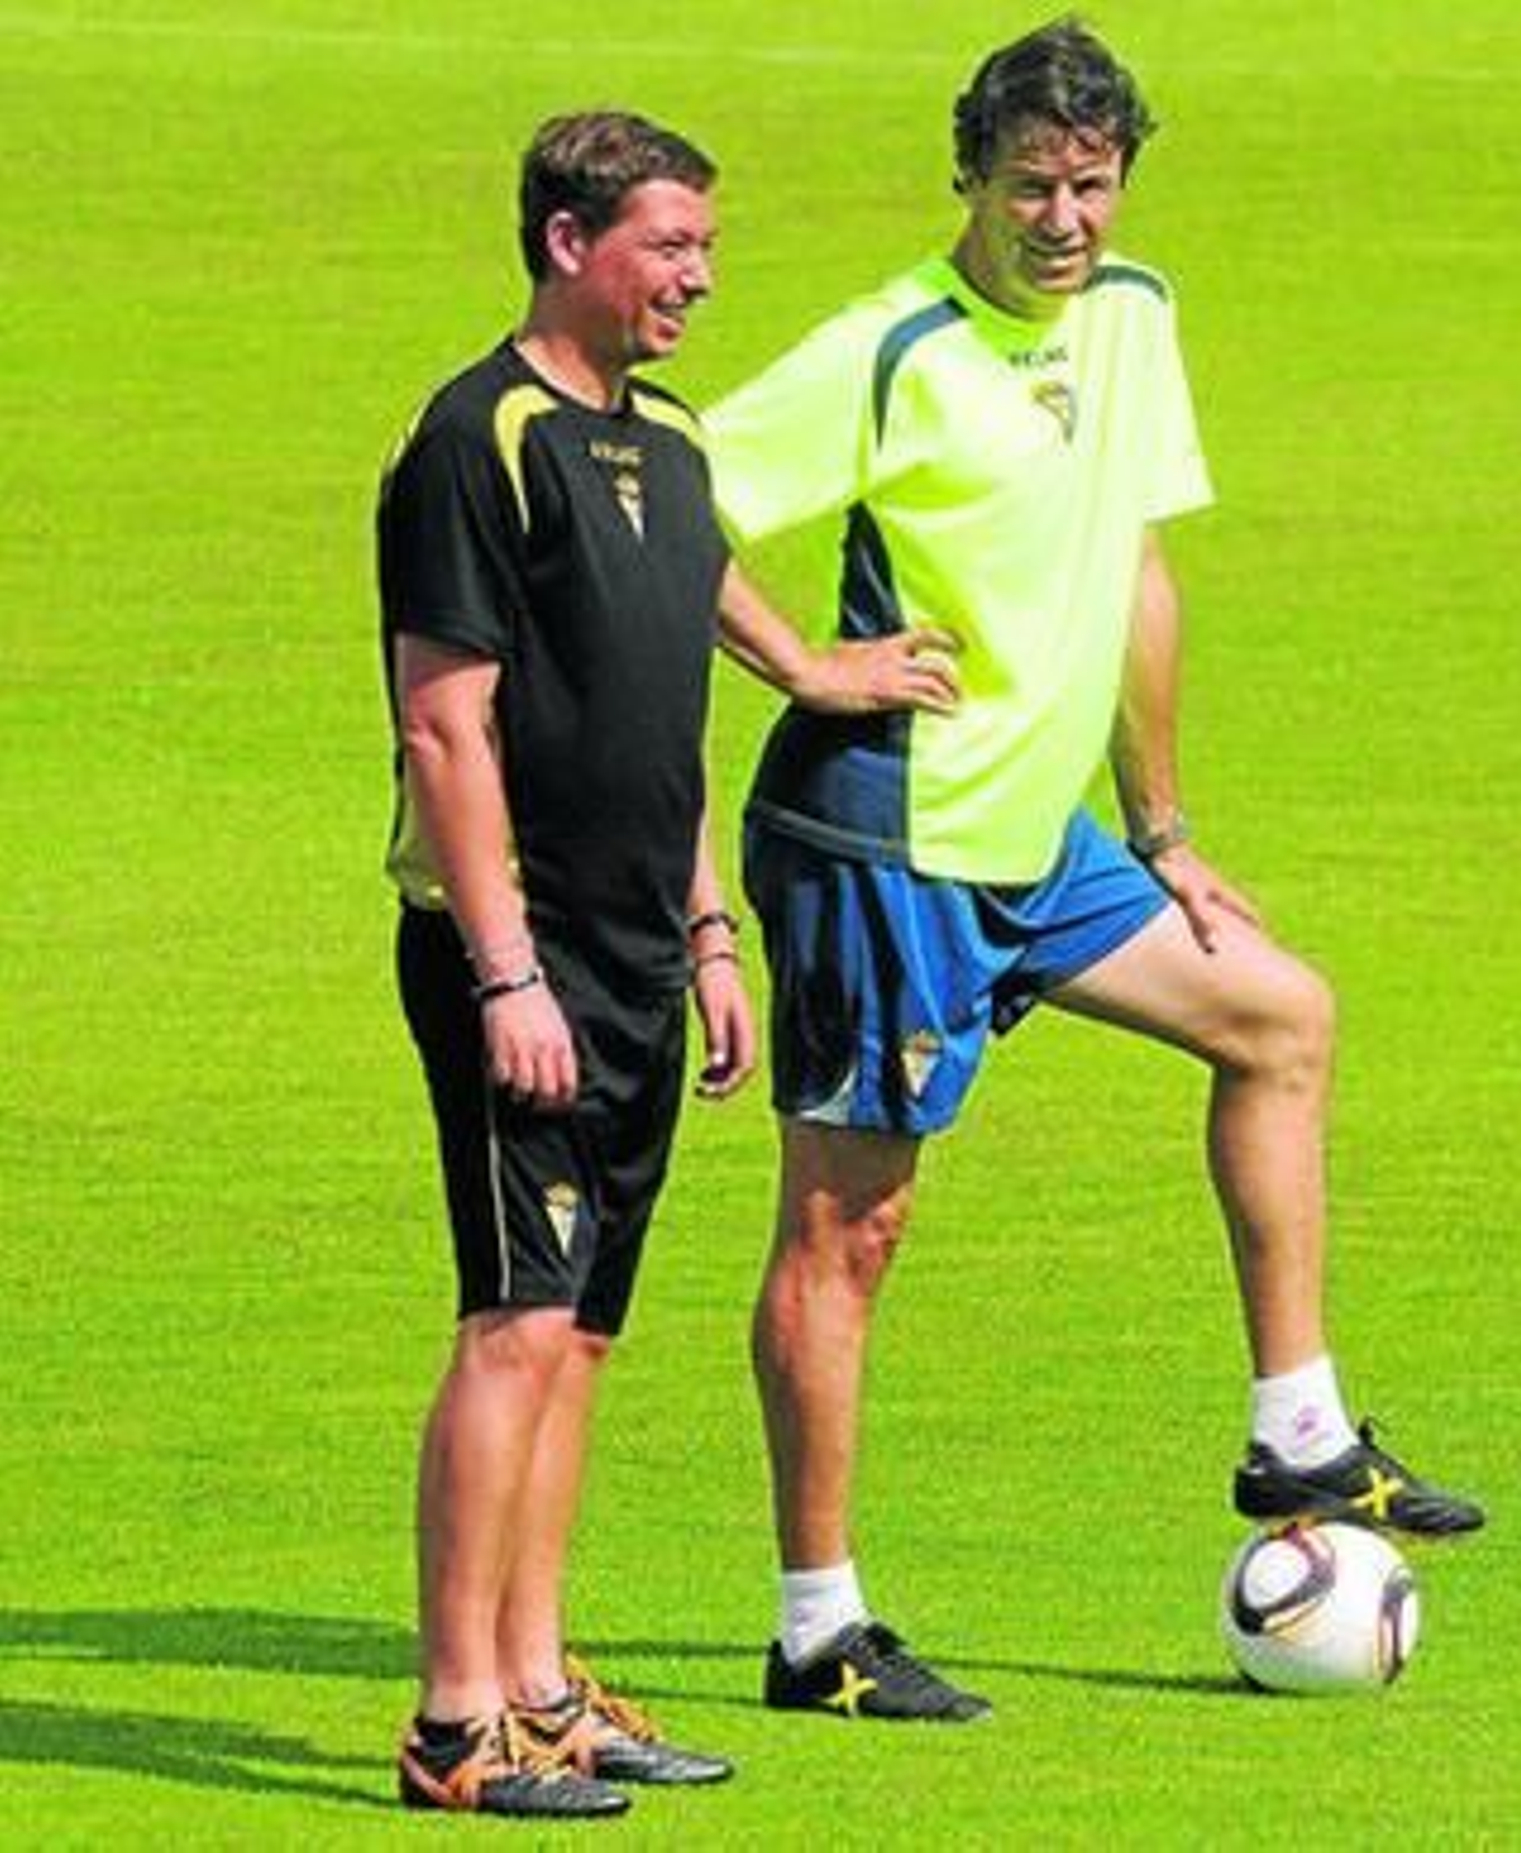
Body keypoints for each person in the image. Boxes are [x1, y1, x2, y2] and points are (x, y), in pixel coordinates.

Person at [706, 15, 1486, 1724]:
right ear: (968, 182)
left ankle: (1298, 1445)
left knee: (1278, 1017)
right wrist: (810, 665)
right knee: (855, 1225)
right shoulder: (893, 344)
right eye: (1031, 188)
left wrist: (1169, 832)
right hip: (882, 840)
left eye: (1092, 185)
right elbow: (663, 501)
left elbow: (1132, 571)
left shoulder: (1134, 317)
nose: (1064, 220)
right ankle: (816, 1626)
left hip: (1037, 838)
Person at [377, 111, 757, 1817]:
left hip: (639, 959)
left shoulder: (668, 446)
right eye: (665, 244)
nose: (694, 275)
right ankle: (456, 1719)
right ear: (563, 242)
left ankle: (542, 1683)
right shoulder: (479, 437)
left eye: (701, 247)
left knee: (584, 1329)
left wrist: (708, 930)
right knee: (513, 1319)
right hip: (510, 961)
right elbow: (449, 726)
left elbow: (657, 719)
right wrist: (508, 972)